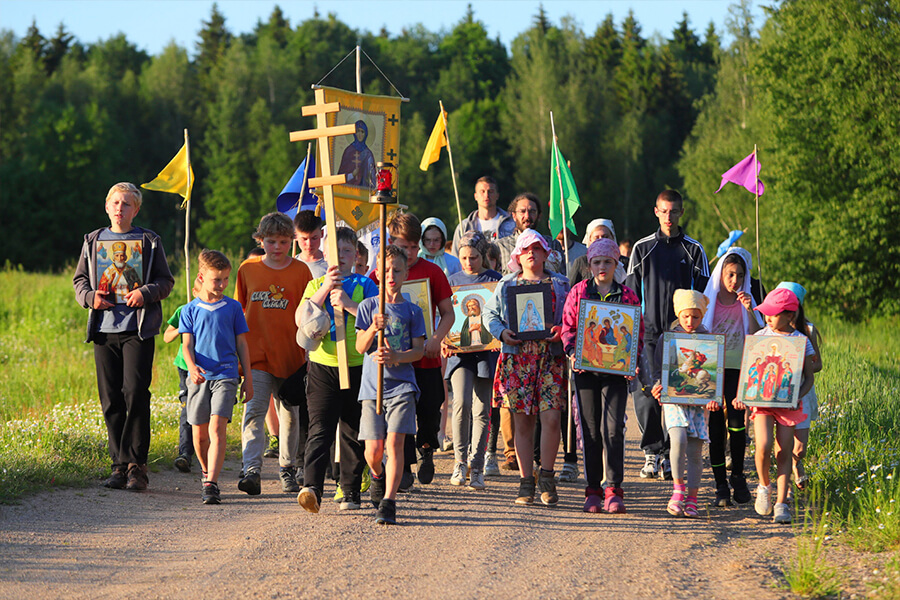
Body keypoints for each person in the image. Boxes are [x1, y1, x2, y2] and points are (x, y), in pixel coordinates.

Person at [73, 182, 175, 491]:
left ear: (136, 210)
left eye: (127, 204)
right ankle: (118, 465)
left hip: (137, 330)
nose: (120, 208)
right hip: (104, 330)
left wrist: (144, 293)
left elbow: (165, 281)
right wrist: (91, 298)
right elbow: (79, 280)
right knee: (111, 398)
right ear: (106, 206)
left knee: (136, 392)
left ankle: (137, 466)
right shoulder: (93, 241)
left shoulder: (148, 241)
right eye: (115, 203)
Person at [626, 190, 710, 481]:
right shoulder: (642, 248)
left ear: (681, 213)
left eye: (674, 211)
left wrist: (700, 334)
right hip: (649, 333)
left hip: (682, 337)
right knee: (648, 393)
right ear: (656, 211)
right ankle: (652, 453)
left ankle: (674, 454)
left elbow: (704, 296)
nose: (669, 217)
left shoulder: (694, 249)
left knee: (681, 396)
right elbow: (630, 295)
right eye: (664, 211)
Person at [296, 227, 378, 513]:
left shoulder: (365, 284)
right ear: (326, 253)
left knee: (353, 430)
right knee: (320, 428)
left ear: (355, 254)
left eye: (347, 251)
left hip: (357, 366)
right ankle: (312, 488)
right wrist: (324, 290)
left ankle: (351, 490)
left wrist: (349, 304)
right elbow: (303, 316)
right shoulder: (316, 283)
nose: (341, 257)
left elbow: (377, 317)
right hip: (323, 365)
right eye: (336, 251)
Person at [369, 212, 455, 487]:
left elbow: (448, 313)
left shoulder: (433, 272)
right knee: (400, 416)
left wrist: (437, 338)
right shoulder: (380, 274)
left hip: (426, 359)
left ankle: (427, 449)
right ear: (391, 242)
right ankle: (403, 468)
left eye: (414, 247)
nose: (410, 252)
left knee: (429, 411)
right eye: (404, 246)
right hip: (394, 365)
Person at [485, 229, 570, 506]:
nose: (531, 253)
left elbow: (570, 318)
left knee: (552, 418)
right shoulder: (507, 284)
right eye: (526, 249)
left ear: (546, 253)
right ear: (517, 256)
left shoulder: (560, 284)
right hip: (517, 358)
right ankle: (525, 481)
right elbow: (490, 313)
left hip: (550, 359)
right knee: (522, 421)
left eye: (537, 248)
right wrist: (501, 332)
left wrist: (561, 331)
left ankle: (546, 477)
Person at [561, 238, 642, 513]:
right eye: (596, 262)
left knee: (613, 428)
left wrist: (633, 359)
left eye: (608, 261)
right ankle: (593, 489)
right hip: (585, 369)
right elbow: (568, 328)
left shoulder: (627, 296)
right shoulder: (578, 293)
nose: (602, 266)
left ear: (616, 263)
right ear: (589, 265)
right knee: (591, 428)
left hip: (616, 372)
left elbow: (636, 333)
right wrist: (573, 352)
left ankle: (614, 488)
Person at [235, 212, 313, 496]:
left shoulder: (301, 271)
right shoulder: (247, 269)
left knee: (290, 415)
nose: (277, 247)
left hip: (291, 356)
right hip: (256, 355)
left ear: (291, 241)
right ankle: (251, 470)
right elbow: (237, 314)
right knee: (254, 412)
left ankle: (287, 468)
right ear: (260, 240)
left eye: (282, 241)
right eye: (270, 241)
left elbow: (309, 314)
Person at [355, 245, 427, 524]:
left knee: (395, 443)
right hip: (373, 388)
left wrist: (397, 356)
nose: (392, 275)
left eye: (397, 270)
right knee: (374, 450)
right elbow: (361, 346)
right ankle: (376, 474)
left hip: (402, 387)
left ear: (406, 273)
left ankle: (389, 501)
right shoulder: (368, 307)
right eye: (386, 270)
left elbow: (419, 351)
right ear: (377, 273)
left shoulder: (412, 311)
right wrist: (373, 327)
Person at [179, 250, 252, 504]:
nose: (221, 285)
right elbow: (186, 345)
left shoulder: (233, 308)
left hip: (226, 374)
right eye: (216, 280)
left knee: (217, 428)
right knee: (199, 435)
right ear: (202, 277)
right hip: (199, 377)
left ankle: (211, 483)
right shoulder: (189, 310)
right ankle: (205, 470)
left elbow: (242, 345)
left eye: (225, 280)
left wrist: (248, 379)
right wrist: (191, 367)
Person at [746, 287, 816, 524]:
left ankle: (781, 502)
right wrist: (742, 395)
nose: (768, 318)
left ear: (789, 316)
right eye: (766, 313)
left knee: (783, 452)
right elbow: (751, 372)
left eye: (773, 314)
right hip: (763, 402)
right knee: (763, 446)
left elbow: (809, 377)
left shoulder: (801, 341)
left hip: (789, 404)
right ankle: (764, 486)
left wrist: (799, 395)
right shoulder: (760, 337)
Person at [700, 247, 763, 506]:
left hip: (740, 369)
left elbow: (759, 332)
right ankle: (720, 485)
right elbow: (699, 334)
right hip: (715, 370)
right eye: (729, 275)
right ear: (721, 275)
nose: (734, 281)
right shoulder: (710, 301)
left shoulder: (747, 301)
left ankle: (738, 476)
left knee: (737, 427)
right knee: (715, 428)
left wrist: (750, 309)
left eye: (739, 275)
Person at [441, 231, 502, 489]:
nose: (469, 262)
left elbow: (502, 313)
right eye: (464, 257)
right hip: (459, 354)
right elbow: (444, 314)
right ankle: (460, 462)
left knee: (482, 408)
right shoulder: (452, 280)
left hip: (487, 353)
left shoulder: (496, 280)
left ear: (484, 256)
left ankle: (477, 466)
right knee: (461, 402)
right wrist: (445, 339)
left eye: (474, 257)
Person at [650, 290, 716, 518]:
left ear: (702, 316)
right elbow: (659, 370)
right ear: (679, 314)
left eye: (696, 317)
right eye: (686, 316)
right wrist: (658, 386)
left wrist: (714, 397)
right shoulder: (668, 339)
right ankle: (678, 491)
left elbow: (714, 375)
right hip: (675, 402)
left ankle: (693, 498)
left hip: (698, 406)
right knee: (677, 439)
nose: (690, 322)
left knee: (696, 450)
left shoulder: (709, 340)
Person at [774, 281, 822, 493]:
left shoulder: (807, 330)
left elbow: (817, 363)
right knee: (783, 441)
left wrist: (800, 364)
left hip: (802, 389)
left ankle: (796, 462)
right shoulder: (771, 330)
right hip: (779, 391)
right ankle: (784, 482)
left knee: (800, 446)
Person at [162, 278, 203, 474]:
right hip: (186, 366)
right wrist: (183, 328)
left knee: (207, 410)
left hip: (209, 366)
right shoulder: (183, 310)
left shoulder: (221, 308)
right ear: (194, 292)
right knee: (187, 407)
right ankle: (185, 453)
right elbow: (166, 336)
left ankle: (207, 454)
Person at [495, 193, 564, 276]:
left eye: (532, 212)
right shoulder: (501, 246)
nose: (527, 216)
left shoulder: (553, 244)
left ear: (539, 216)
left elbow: (562, 276)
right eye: (522, 211)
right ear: (514, 216)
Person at [451, 176, 516, 253]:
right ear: (475, 196)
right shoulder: (464, 227)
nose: (486, 195)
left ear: (497, 195)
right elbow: (456, 258)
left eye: (490, 191)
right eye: (482, 191)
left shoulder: (512, 223)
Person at [568, 219, 627, 286]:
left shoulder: (625, 262)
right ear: (590, 240)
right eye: (596, 238)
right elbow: (570, 289)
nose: (601, 240)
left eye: (605, 237)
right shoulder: (581, 262)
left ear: (612, 237)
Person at [338, 120, 376, 188]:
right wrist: (352, 174)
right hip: (348, 191)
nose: (360, 134)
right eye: (358, 131)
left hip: (364, 192)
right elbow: (340, 176)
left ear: (366, 134)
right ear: (354, 133)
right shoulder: (348, 151)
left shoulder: (368, 154)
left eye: (362, 132)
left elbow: (372, 177)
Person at [293, 210, 328, 278]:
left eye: (314, 238)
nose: (309, 244)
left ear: (322, 233)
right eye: (304, 239)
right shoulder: (290, 266)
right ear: (295, 236)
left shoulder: (330, 264)